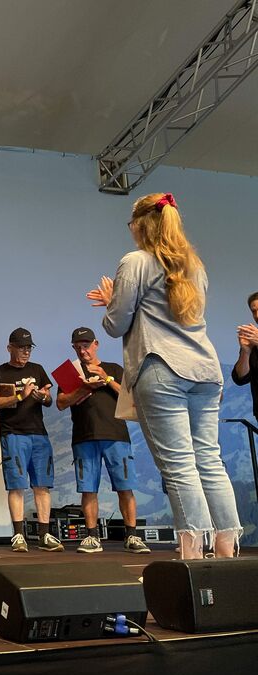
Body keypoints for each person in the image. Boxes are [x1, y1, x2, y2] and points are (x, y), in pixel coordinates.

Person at [89, 192, 242, 559]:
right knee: (209, 459)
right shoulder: (196, 267)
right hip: (205, 370)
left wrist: (112, 300)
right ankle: (226, 553)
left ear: (141, 225)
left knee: (179, 466)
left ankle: (191, 558)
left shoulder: (136, 261)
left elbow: (115, 324)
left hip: (161, 368)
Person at [55, 327, 150, 554]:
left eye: (86, 345)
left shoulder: (114, 368)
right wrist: (83, 388)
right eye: (78, 347)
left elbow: (131, 398)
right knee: (88, 489)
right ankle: (92, 537)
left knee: (125, 487)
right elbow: (60, 402)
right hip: (84, 436)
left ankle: (132, 536)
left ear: (96, 344)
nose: (83, 350)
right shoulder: (70, 372)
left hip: (116, 435)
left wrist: (106, 379)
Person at [0, 328, 62, 553]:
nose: (25, 351)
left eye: (28, 347)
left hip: (39, 433)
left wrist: (43, 396)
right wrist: (21, 395)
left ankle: (44, 534)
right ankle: (18, 535)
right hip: (13, 433)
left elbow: (49, 399)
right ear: (9, 347)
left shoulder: (37, 369)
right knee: (17, 485)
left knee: (42, 485)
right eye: (21, 347)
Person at [231, 291, 258, 420]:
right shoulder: (253, 339)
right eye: (254, 311)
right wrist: (245, 352)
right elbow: (240, 378)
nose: (257, 315)